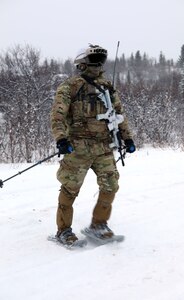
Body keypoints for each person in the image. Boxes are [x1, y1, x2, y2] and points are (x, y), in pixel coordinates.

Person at [50, 44, 135, 245]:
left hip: (103, 147)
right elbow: (57, 115)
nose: (97, 64)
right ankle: (63, 231)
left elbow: (119, 115)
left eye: (100, 60)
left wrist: (127, 137)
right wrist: (61, 138)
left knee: (111, 186)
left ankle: (98, 224)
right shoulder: (70, 86)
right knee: (70, 188)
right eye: (93, 60)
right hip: (77, 147)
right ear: (82, 63)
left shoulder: (107, 87)